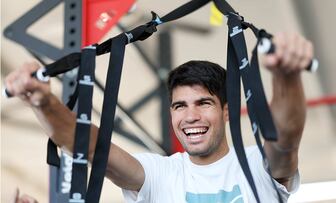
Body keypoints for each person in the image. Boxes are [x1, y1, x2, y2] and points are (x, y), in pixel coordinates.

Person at [4, 32, 313, 202]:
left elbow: (284, 141)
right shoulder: (160, 174)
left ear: (227, 110)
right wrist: (43, 102)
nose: (190, 117)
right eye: (180, 106)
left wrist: (286, 76)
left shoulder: (256, 167)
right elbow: (92, 148)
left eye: (203, 103)